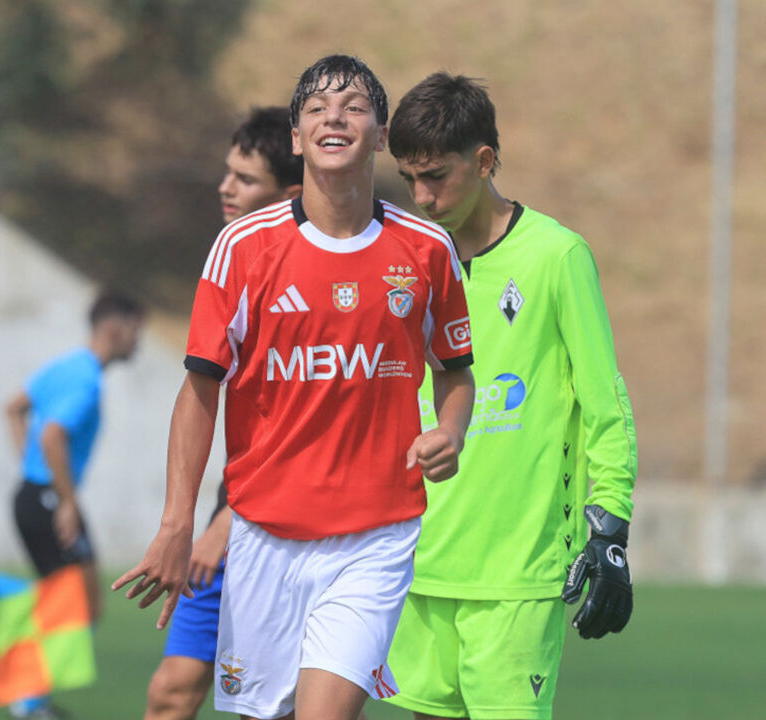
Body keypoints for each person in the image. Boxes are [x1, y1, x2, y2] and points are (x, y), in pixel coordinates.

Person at [113, 54, 476, 720]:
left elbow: (456, 371)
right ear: (295, 137)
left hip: (377, 534)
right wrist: (177, 522)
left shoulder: (427, 250)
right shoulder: (243, 249)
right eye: (316, 107)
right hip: (265, 537)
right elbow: (200, 393)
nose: (334, 116)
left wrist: (451, 429)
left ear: (381, 132)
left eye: (354, 106)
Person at [382, 72, 637, 720]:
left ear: (484, 161)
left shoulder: (556, 257)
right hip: (420, 566)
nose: (421, 196)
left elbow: (606, 406)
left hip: (516, 577)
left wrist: (608, 528)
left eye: (435, 176)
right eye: (410, 179)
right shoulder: (406, 264)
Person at [142, 107, 301, 720]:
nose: (225, 187)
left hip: (285, 522)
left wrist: (230, 519)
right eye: (226, 173)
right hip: (232, 507)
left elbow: (315, 424)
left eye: (245, 179)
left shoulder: (319, 275)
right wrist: (187, 520)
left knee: (301, 707)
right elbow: (202, 391)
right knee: (171, 691)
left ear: (290, 193)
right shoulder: (232, 261)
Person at [0, 290, 146, 719]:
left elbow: (13, 408)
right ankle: (28, 701)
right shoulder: (85, 379)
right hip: (50, 500)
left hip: (39, 494)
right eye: (136, 332)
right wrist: (65, 500)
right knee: (72, 603)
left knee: (75, 601)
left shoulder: (66, 365)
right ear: (115, 328)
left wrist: (34, 472)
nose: (139, 343)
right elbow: (52, 435)